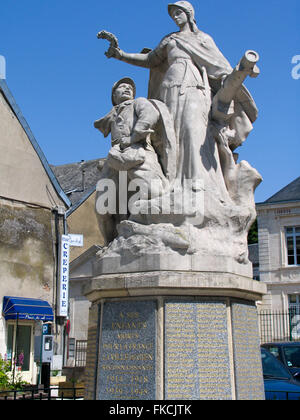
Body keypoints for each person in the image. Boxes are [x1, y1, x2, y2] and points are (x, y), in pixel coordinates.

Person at [104, 1, 257, 199]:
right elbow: (150, 60)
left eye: (179, 13)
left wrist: (241, 72)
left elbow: (220, 67)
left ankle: (197, 185)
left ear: (189, 14)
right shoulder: (170, 39)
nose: (175, 17)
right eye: (173, 14)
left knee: (193, 132)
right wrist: (120, 54)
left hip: (194, 89)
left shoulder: (202, 38)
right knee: (171, 136)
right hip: (169, 90)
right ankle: (172, 184)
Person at [94, 77, 177, 244]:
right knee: (102, 207)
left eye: (130, 87)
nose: (127, 88)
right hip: (116, 156)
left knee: (155, 193)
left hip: (138, 150)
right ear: (113, 95)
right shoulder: (113, 114)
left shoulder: (138, 102)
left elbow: (150, 114)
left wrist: (133, 137)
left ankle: (159, 232)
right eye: (121, 87)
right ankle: (110, 244)